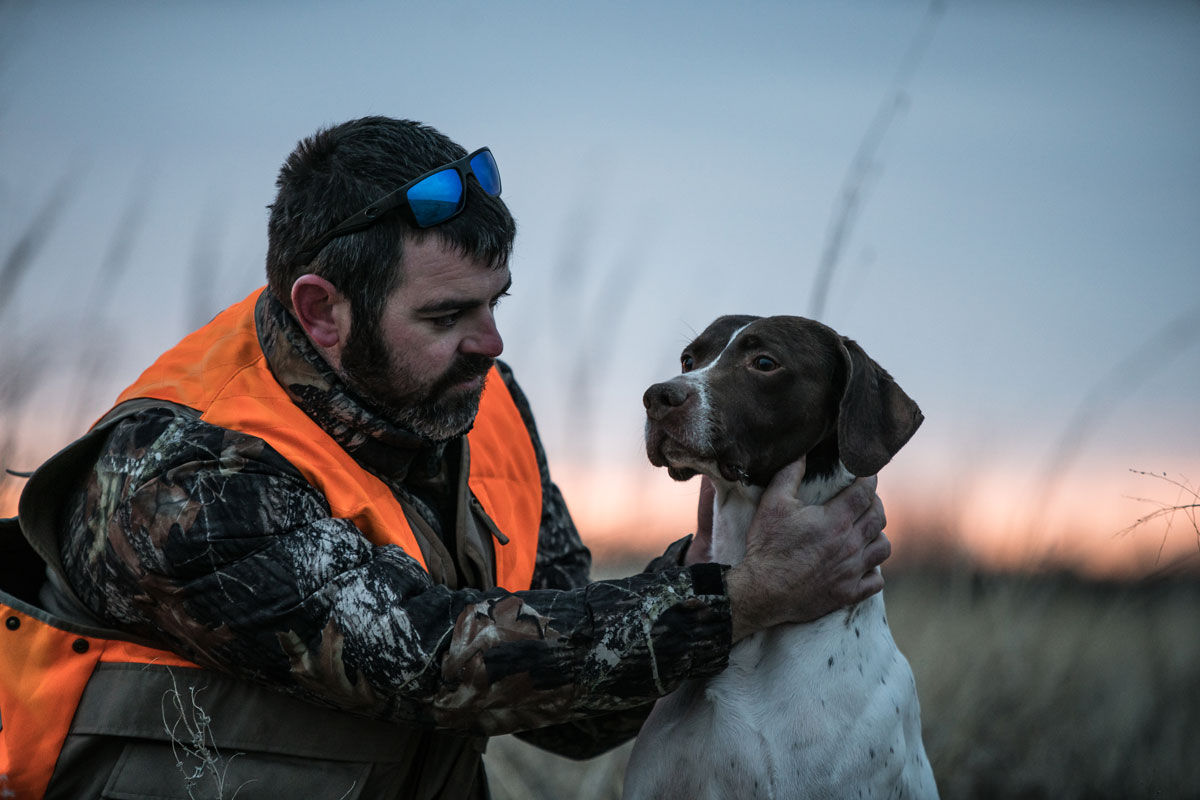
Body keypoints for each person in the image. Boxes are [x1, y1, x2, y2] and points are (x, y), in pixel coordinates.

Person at [0, 117, 890, 799]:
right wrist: (739, 597)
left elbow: (570, 707)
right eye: (445, 316)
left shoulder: (480, 403)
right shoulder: (184, 471)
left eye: (495, 302)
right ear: (322, 312)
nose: (490, 343)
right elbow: (426, 664)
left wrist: (706, 568)